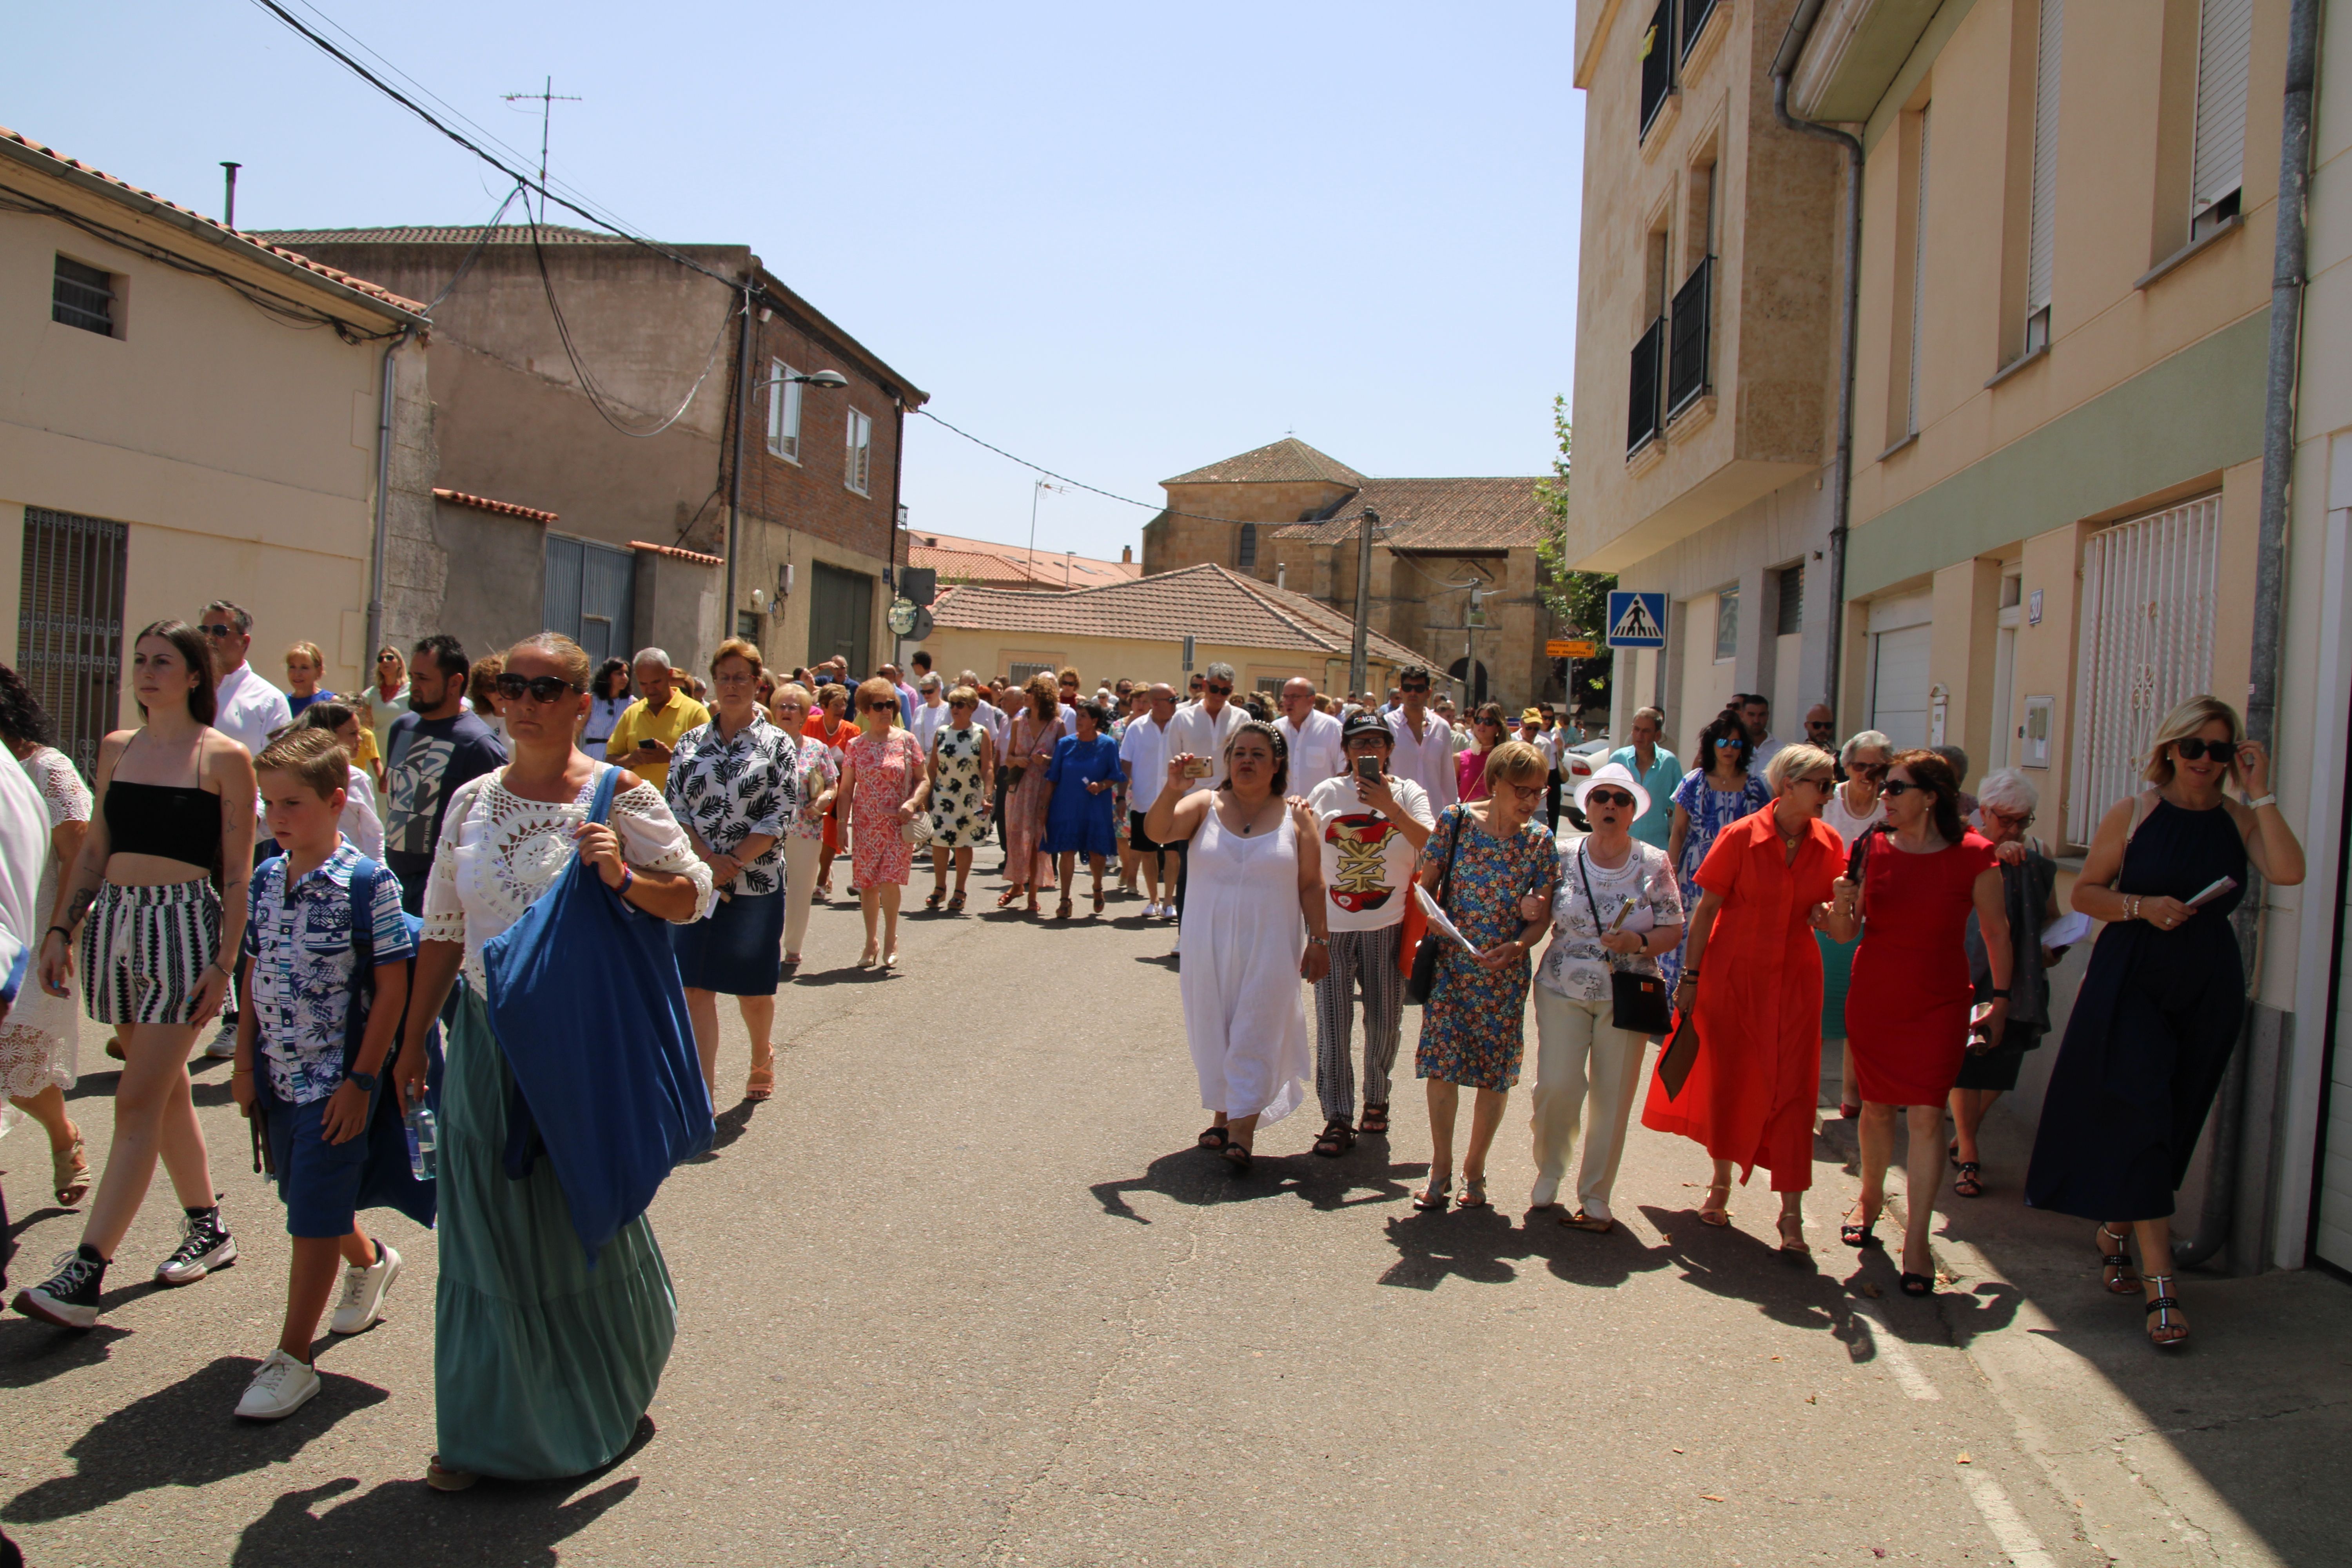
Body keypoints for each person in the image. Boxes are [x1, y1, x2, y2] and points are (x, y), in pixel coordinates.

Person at [393, 632, 711, 1490]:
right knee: (485, 1237)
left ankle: (615, 1371)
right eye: (512, 686)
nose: (525, 700)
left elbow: (692, 897)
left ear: (582, 703)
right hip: (487, 1041)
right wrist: (411, 1040)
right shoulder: (468, 803)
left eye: (548, 686)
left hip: (578, 1043)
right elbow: (443, 930)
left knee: (577, 1220)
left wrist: (622, 880)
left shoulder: (620, 797)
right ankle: (482, 1432)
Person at [2025, 696, 2304, 1348]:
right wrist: (2142, 906)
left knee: (2177, 1114)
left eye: (2219, 750)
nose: (2205, 762)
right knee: (2143, 1112)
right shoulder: (2135, 812)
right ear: (2169, 751)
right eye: (2193, 748)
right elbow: (2084, 893)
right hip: (2133, 977)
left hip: (2208, 981)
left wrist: (2260, 792)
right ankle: (2163, 1285)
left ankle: (2119, 1224)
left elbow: (2290, 871)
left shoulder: (2238, 818)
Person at [13, 621, 255, 1329]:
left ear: (193, 677)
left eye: (164, 662)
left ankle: (87, 1269)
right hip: (116, 927)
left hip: (184, 930)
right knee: (165, 1086)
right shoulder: (118, 749)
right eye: (141, 661)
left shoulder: (225, 756)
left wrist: (225, 963)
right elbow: (95, 849)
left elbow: (237, 873)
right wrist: (62, 928)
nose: (147, 673)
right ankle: (209, 1226)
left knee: (137, 1099)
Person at [227, 729, 416, 1419]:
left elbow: (392, 991)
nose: (277, 818)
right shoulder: (269, 877)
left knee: (309, 1217)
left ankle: (293, 1358)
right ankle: (369, 1261)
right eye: (268, 803)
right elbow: (253, 972)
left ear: (338, 802)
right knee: (301, 1198)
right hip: (278, 1078)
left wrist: (362, 1083)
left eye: (293, 804)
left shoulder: (369, 883)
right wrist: (245, 1064)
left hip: (335, 1084)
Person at [1642, 744, 1843, 1253]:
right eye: (1822, 784)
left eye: (1831, 784)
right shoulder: (1741, 836)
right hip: (1732, 976)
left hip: (1797, 982)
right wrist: (1690, 977)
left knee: (1795, 1091)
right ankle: (1720, 1182)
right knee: (1731, 1078)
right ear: (1789, 786)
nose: (1830, 793)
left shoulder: (1831, 844)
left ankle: (1790, 1213)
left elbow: (1839, 928)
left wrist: (1838, 914)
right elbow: (1706, 910)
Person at [1824, 750, 2007, 1296]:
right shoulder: (1870, 847)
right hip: (1877, 997)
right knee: (1878, 1110)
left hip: (1940, 1003)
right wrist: (1839, 903)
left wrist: (2001, 1000)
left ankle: (1917, 1241)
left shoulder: (1976, 855)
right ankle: (1871, 1197)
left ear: (1931, 797)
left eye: (1897, 788)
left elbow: (1997, 932)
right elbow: (1843, 933)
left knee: (1928, 1117)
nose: (1885, 796)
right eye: (1884, 787)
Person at [1143, 720, 1328, 1172]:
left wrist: (1320, 940)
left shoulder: (1297, 814)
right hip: (1207, 944)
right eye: (1239, 752)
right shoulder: (1204, 803)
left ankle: (1242, 1130)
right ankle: (1224, 1114)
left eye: (1258, 753)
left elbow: (1311, 884)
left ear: (1277, 764)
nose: (1246, 760)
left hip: (1271, 945)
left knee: (1257, 1027)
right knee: (1215, 1028)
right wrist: (1172, 788)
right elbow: (1157, 832)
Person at [1530, 762, 1684, 1229]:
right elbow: (1536, 905)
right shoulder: (1559, 853)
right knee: (1558, 1086)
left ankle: (1596, 1193)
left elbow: (1673, 927)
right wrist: (1530, 906)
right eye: (1602, 798)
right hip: (1561, 986)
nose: (1611, 806)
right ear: (1587, 806)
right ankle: (1550, 1170)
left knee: (1612, 1097)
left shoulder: (1654, 862)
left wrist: (1637, 943)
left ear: (1634, 809)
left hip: (1627, 992)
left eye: (1622, 799)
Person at [1411, 739, 1558, 1211]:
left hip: (1503, 974)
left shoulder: (1540, 840)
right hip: (1453, 968)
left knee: (1494, 1076)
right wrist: (1431, 915)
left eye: (1539, 791)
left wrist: (1522, 942)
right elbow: (1423, 888)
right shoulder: (1454, 821)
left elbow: (1542, 915)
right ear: (1494, 782)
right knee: (1443, 1067)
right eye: (1522, 789)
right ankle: (1440, 1170)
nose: (1531, 801)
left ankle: (1475, 1169)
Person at [1304, 710, 1434, 1156]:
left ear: (1390, 750)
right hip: (1334, 927)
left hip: (1389, 924)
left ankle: (1376, 1098)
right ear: (1345, 751)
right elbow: (1303, 855)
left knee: (1384, 1021)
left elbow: (1431, 844)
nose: (1368, 751)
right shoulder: (1326, 793)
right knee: (1334, 1024)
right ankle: (1337, 1117)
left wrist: (1390, 808)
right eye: (1359, 744)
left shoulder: (1409, 793)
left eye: (1377, 743)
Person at [667, 639, 791, 1101]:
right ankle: (702, 1092)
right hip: (697, 882)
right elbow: (673, 807)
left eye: (742, 677)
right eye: (725, 677)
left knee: (752, 992)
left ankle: (762, 1054)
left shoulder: (777, 744)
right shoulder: (689, 743)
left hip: (755, 884)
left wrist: (732, 862)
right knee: (695, 987)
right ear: (714, 683)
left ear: (759, 684)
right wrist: (704, 858)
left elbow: (780, 815)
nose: (733, 685)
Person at [1951, 769, 2069, 1198]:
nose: (2015, 828)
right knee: (1966, 1064)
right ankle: (1968, 1153)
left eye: (2024, 819)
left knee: (2005, 1066)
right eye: (2006, 818)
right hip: (1971, 970)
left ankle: (1965, 1136)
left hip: (2021, 980)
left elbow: (2051, 915)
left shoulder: (2039, 855)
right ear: (1985, 812)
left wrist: (2054, 946)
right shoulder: (1963, 844)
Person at [0, 666, 93, 1207]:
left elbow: (78, 857)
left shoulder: (47, 771)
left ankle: (63, 1134)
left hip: (36, 939)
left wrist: (63, 934)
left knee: (23, 1073)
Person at [199, 601, 292, 1054]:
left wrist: (256, 821)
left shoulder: (267, 699)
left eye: (220, 630)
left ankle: (238, 1021)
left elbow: (279, 766)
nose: (211, 638)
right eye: (205, 630)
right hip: (190, 825)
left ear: (244, 640)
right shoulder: (191, 690)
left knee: (240, 921)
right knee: (189, 915)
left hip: (243, 830)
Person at [383, 635, 508, 918]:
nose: (413, 686)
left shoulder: (479, 745)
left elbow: (492, 828)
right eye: (413, 676)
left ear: (454, 683)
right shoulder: (401, 728)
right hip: (392, 880)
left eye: (423, 678)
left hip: (439, 889)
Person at [1665, 711, 1770, 986]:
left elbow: (1764, 837)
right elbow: (1678, 831)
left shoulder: (1756, 787)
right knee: (1689, 935)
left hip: (1739, 875)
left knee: (1728, 936)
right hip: (1694, 874)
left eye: (1736, 744)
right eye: (1723, 742)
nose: (1729, 749)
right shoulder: (1693, 782)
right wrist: (1671, 873)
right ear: (1712, 745)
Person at [833, 675, 931, 968]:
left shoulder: (907, 740)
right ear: (865, 710)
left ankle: (891, 940)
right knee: (867, 885)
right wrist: (841, 824)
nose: (887, 710)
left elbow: (923, 779)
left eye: (891, 704)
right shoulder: (856, 746)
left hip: (896, 825)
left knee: (889, 880)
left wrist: (912, 802)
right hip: (865, 825)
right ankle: (870, 941)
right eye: (879, 705)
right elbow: (847, 789)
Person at [1821, 730, 1892, 1119]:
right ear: (1846, 766)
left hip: (1875, 917)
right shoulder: (1829, 800)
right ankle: (1803, 1092)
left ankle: (1851, 1093)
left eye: (1877, 767)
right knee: (1819, 1005)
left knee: (1858, 1012)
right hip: (1826, 915)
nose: (1868, 774)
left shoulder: (1891, 807)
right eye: (1860, 765)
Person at [769, 684, 838, 970]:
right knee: (767, 889)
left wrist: (822, 801)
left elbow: (833, 784)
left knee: (800, 889)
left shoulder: (816, 748)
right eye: (782, 706)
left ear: (803, 715)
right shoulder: (760, 746)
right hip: (765, 830)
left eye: (794, 707)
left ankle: (793, 947)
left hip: (805, 828)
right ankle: (766, 943)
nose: (787, 711)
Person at [1042, 701, 1121, 917]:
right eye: (1078, 715)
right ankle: (1065, 900)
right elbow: (1053, 777)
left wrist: (1102, 785)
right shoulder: (1065, 745)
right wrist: (1044, 806)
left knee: (1097, 853)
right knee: (1067, 851)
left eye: (1084, 716)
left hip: (1095, 806)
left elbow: (1116, 774)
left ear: (1095, 720)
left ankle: (1097, 887)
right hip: (1066, 805)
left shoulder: (1108, 745)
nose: (1079, 720)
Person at [924, 686, 995, 913]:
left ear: (972, 708)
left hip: (969, 798)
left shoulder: (981, 733)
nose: (955, 709)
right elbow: (932, 767)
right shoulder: (942, 732)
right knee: (939, 842)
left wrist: (987, 795)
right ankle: (939, 887)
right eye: (953, 704)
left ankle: (960, 890)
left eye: (960, 705)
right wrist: (925, 795)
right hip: (943, 795)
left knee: (963, 843)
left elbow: (988, 767)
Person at [603, 648, 711, 796]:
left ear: (670, 674)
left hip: (680, 809)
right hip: (637, 808)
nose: (650, 689)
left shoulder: (696, 712)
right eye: (643, 684)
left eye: (656, 682)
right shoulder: (632, 713)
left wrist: (670, 758)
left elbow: (711, 764)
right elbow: (610, 760)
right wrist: (631, 759)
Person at [1001, 674, 1063, 914]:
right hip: (1020, 787)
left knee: (1039, 840)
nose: (1025, 695)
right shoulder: (1019, 721)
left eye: (1030, 692)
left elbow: (1063, 759)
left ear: (1041, 696)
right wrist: (1019, 760)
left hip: (1044, 789)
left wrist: (1046, 759)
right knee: (1016, 837)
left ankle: (1033, 895)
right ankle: (1018, 885)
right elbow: (1007, 758)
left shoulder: (1057, 725)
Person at [299, 702, 386, 858]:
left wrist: (379, 871)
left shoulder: (358, 779)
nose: (359, 740)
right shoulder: (299, 777)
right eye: (353, 734)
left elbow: (372, 833)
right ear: (329, 737)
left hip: (348, 869)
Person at [1122, 684, 1178, 918]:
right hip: (1144, 801)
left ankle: (1168, 902)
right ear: (1156, 703)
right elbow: (1125, 762)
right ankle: (1153, 899)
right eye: (1172, 700)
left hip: (1177, 801)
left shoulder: (1181, 725)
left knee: (1174, 853)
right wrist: (1120, 798)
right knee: (1148, 853)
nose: (1177, 703)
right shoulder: (1136, 728)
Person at [1386, 666, 1460, 814]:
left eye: (1419, 688)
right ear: (1401, 691)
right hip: (1395, 815)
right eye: (1408, 688)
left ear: (1428, 693)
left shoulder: (1442, 728)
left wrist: (1453, 816)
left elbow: (1448, 779)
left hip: (1433, 816)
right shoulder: (1386, 725)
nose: (1413, 693)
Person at [1608, 706, 1681, 851]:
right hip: (1620, 847)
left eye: (1646, 731)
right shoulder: (1618, 759)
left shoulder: (1669, 763)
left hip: (1657, 847)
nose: (1639, 735)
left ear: (1658, 735)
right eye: (1637, 729)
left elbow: (1680, 808)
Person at [1276, 677, 1344, 797]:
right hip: (1283, 810)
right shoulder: (1276, 729)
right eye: (1285, 697)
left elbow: (1343, 773)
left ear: (1311, 700)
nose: (1288, 702)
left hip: (1321, 810)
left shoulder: (1332, 728)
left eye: (1295, 697)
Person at [365, 646, 410, 774]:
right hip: (377, 753)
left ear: (400, 663)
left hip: (402, 751)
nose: (385, 661)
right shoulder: (371, 694)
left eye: (390, 658)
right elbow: (365, 725)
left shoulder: (411, 691)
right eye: (381, 659)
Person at [1456, 702, 1506, 804]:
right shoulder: (1459, 759)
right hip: (1468, 818)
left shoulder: (1506, 759)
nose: (1482, 725)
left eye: (1489, 722)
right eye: (1478, 720)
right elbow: (1450, 796)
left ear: (1498, 728)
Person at [581, 659, 632, 753]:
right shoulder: (592, 701)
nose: (625, 678)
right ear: (608, 677)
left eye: (627, 674)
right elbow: (576, 730)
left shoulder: (631, 703)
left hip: (617, 755)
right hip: (592, 754)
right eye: (619, 674)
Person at [1738, 693, 1783, 781]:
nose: (1757, 720)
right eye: (1751, 715)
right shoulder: (1733, 747)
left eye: (1761, 715)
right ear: (1742, 716)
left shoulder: (1781, 751)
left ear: (1768, 716)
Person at [284, 641, 335, 719]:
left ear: (318, 671)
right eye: (292, 667)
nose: (297, 674)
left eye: (304, 668)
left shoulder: (332, 703)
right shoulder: (283, 704)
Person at [911, 673, 951, 755]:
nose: (926, 695)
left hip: (939, 758)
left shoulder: (949, 709)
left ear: (939, 689)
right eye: (923, 692)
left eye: (930, 692)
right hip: (919, 758)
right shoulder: (919, 710)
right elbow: (912, 735)